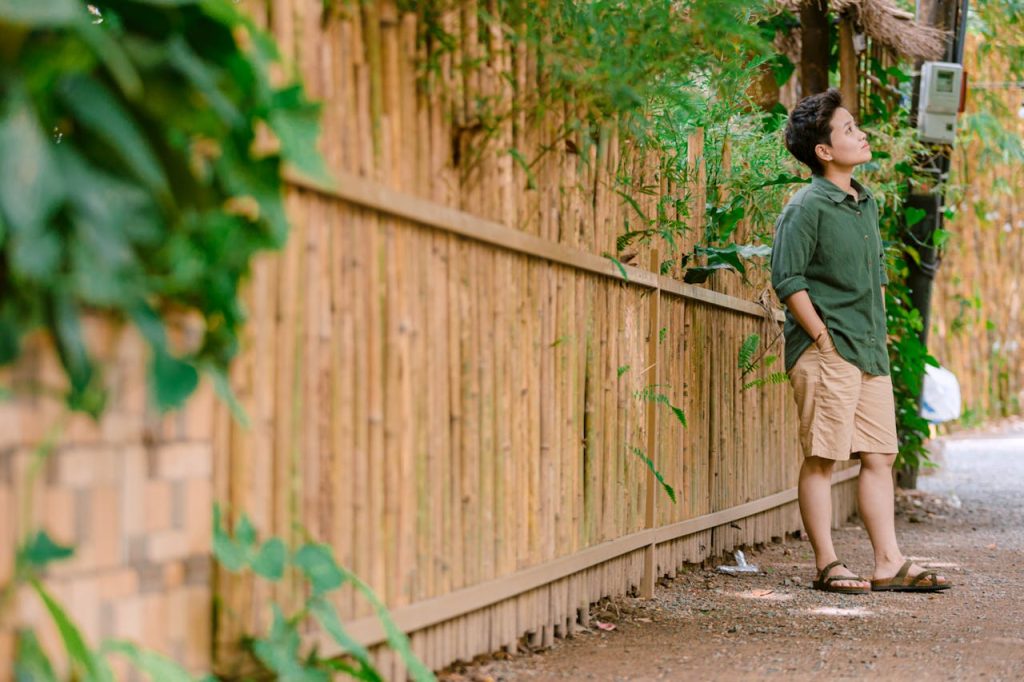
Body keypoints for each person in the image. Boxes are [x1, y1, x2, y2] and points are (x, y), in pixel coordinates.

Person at [770, 88, 951, 594]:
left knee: (879, 456)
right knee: (824, 458)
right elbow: (787, 279)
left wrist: (879, 339)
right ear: (824, 151)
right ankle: (827, 564)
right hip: (827, 351)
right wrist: (823, 339)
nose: (861, 133)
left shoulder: (863, 200)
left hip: (869, 349)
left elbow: (871, 276)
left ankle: (888, 562)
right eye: (849, 129)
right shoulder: (806, 206)